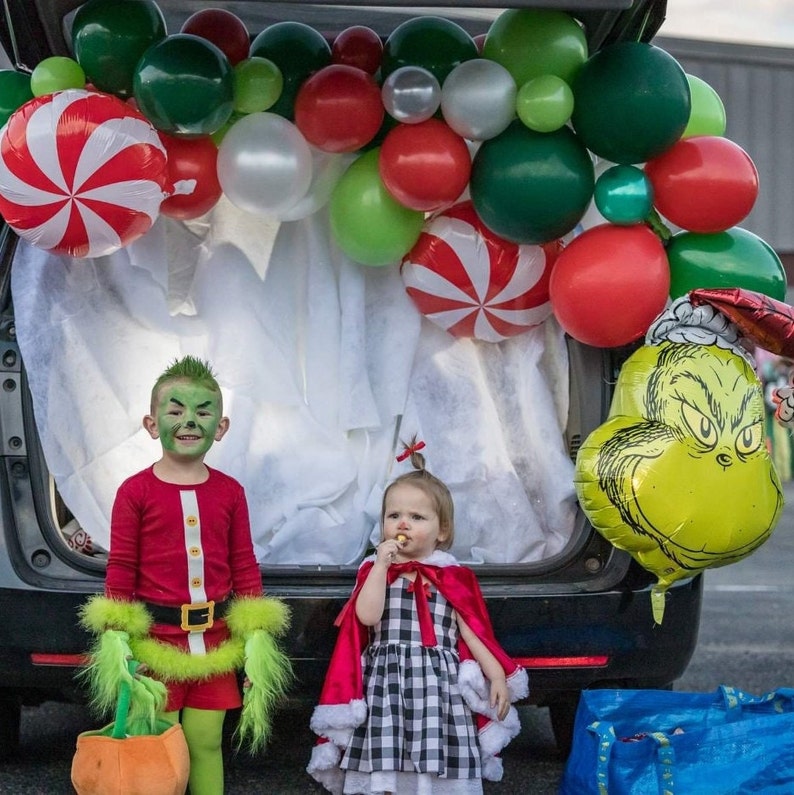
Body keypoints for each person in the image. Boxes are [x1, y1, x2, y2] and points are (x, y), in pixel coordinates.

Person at [78, 356, 292, 795]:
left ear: (222, 426)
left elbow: (244, 563)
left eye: (202, 411)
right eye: (175, 410)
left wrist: (255, 633)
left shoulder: (230, 491)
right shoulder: (135, 491)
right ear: (152, 424)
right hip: (156, 642)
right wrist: (117, 634)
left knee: (206, 741)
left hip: (215, 642)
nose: (189, 421)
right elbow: (121, 565)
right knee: (163, 740)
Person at [307, 438, 528, 795]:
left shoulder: (452, 578)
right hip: (386, 683)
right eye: (393, 515)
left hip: (438, 685)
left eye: (417, 517)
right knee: (386, 745)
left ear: (441, 531)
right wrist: (381, 564)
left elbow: (471, 633)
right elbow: (366, 616)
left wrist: (497, 676)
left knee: (435, 742)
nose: (403, 524)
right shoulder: (375, 571)